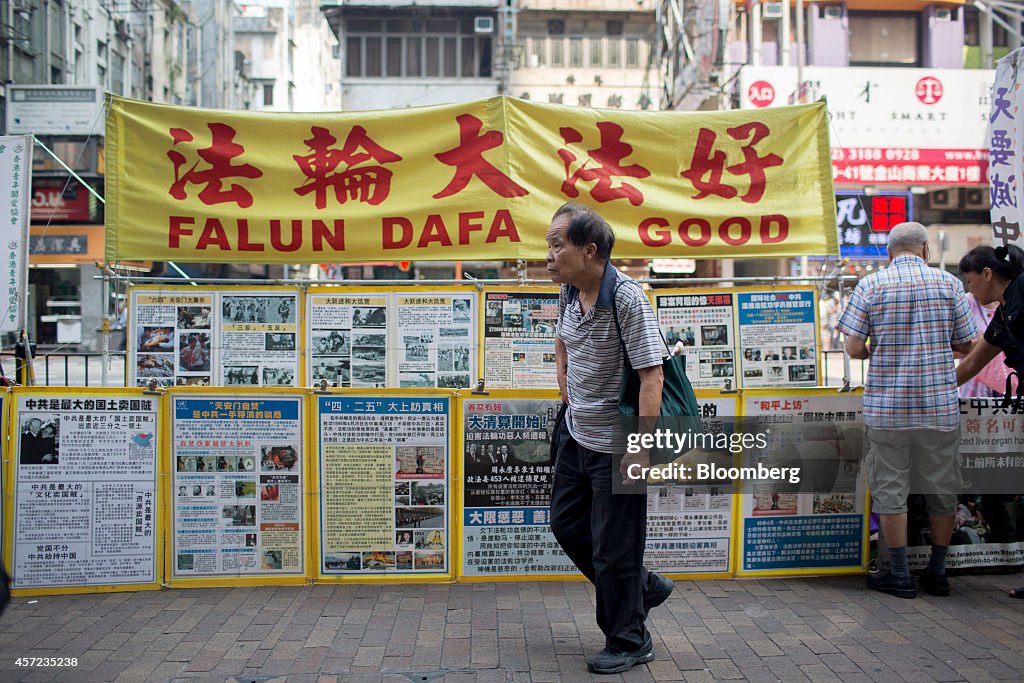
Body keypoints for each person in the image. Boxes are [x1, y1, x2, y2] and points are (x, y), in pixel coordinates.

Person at [547, 202, 673, 674]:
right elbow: (562, 338)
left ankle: (629, 639)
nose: (550, 255)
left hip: (619, 442)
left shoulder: (626, 298)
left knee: (614, 547)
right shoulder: (569, 291)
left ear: (590, 250)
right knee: (565, 524)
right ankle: (641, 587)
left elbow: (652, 375)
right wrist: (561, 372)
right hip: (576, 433)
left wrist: (640, 446)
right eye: (549, 244)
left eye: (558, 245)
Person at [837, 222, 976, 600]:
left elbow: (852, 348)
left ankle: (897, 574)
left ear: (889, 253)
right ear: (926, 251)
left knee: (891, 491)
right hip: (938, 408)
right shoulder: (948, 285)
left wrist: (874, 351)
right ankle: (937, 572)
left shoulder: (871, 285)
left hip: (888, 409)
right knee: (942, 490)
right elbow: (967, 344)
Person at [953, 244, 1024, 597]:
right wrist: (935, 391)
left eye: (969, 282)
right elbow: (971, 365)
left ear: (987, 274)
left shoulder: (1022, 293)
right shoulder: (1004, 311)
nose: (969, 291)